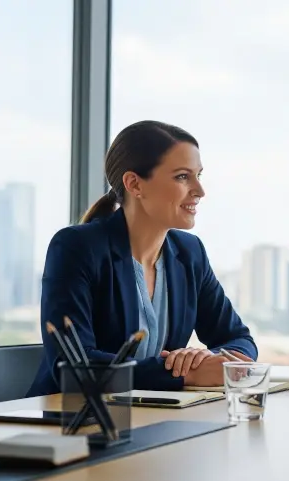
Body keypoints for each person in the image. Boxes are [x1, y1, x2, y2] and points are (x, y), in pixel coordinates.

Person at [28, 120, 257, 396]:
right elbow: (73, 367)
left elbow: (238, 338)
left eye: (199, 175)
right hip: (72, 420)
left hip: (150, 419)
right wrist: (184, 373)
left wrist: (209, 361)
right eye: (183, 177)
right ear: (134, 184)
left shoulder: (190, 252)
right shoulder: (76, 247)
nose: (199, 190)